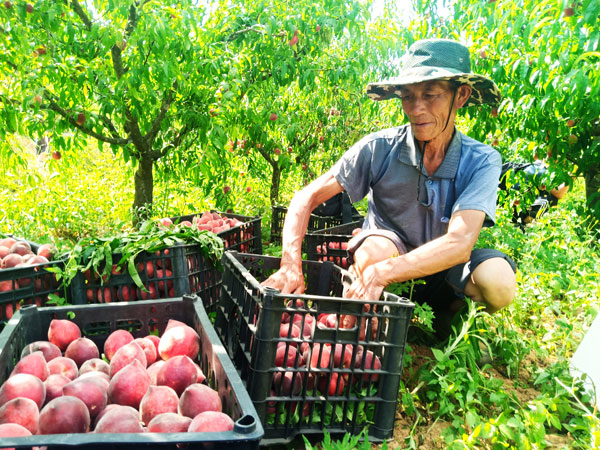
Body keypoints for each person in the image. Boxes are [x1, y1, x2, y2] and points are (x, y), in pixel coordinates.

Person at [262, 38, 517, 337]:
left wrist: (383, 273)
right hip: (386, 254)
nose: (416, 108)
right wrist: (290, 262)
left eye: (431, 94)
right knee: (374, 250)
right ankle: (376, 314)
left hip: (442, 271)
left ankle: (448, 321)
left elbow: (460, 244)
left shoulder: (481, 160)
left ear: (460, 96)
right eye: (407, 96)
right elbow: (307, 197)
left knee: (498, 282)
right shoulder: (379, 148)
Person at [501, 159, 570, 226]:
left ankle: (526, 221)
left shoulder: (532, 165)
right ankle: (527, 223)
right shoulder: (542, 173)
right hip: (511, 209)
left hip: (503, 203)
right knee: (551, 198)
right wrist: (573, 174)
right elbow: (558, 193)